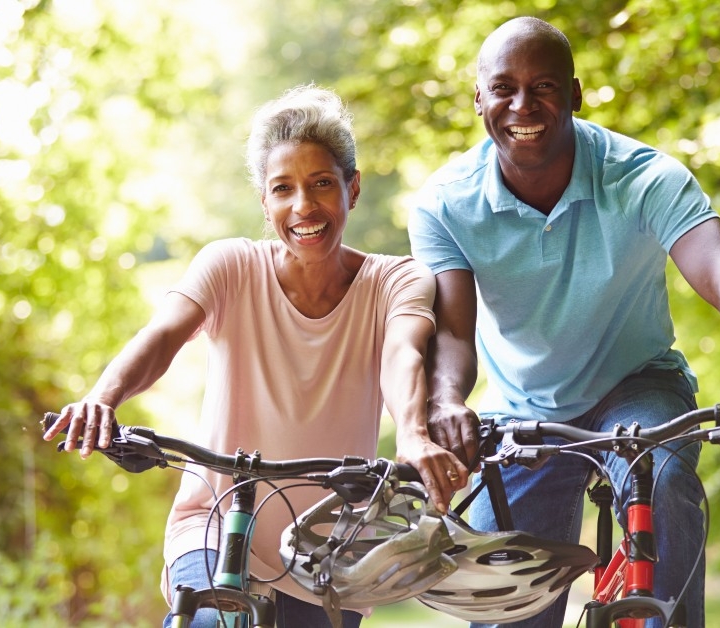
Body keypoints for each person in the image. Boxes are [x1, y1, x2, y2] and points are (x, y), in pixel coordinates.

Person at [407, 17, 720, 628]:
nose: (522, 105)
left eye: (544, 87)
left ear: (576, 96)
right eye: (503, 88)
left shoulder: (643, 178)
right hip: (524, 406)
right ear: (479, 101)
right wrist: (446, 401)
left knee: (661, 475)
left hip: (638, 386)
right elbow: (452, 330)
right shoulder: (445, 203)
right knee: (504, 597)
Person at [43, 84, 469, 628]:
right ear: (265, 204)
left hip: (328, 548)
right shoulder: (229, 267)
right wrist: (103, 398)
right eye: (283, 189)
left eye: (321, 184)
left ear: (353, 189)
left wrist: (412, 432)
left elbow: (403, 353)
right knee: (208, 623)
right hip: (216, 522)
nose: (304, 206)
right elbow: (163, 335)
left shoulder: (397, 280)